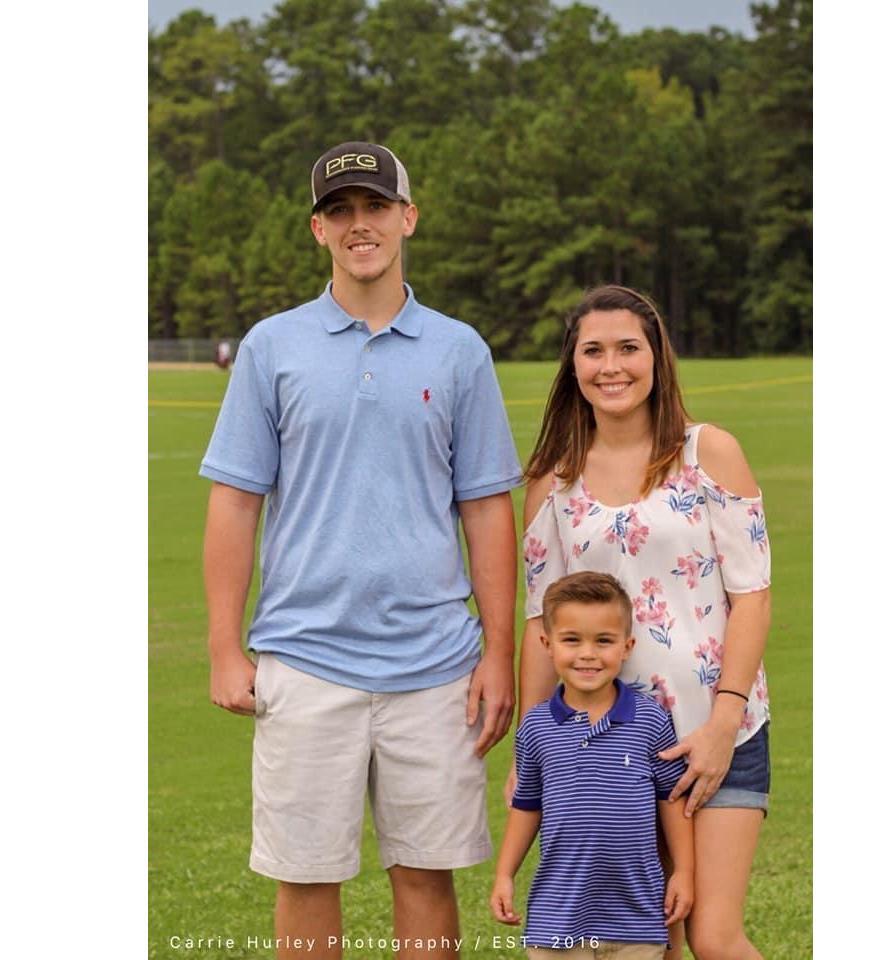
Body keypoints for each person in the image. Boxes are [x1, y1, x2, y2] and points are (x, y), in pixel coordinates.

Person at [199, 140, 522, 960]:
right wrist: (223, 648)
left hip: (435, 664)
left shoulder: (459, 349)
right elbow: (235, 502)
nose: (360, 224)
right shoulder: (272, 346)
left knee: (424, 876)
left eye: (376, 206)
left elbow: (486, 508)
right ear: (319, 229)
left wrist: (499, 653)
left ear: (408, 217)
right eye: (340, 211)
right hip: (305, 658)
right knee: (306, 880)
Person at [517, 285, 772, 960]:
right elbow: (540, 622)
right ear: (573, 364)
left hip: (721, 729)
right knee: (647, 939)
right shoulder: (552, 483)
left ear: (657, 357)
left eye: (628, 348)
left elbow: (753, 597)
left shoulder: (709, 453)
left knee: (714, 936)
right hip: (607, 750)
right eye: (593, 351)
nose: (612, 366)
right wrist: (530, 751)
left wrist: (723, 722)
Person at [490, 572, 694, 960]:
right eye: (572, 640)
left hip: (637, 919)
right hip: (557, 920)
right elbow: (526, 806)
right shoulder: (536, 727)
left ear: (627, 646)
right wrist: (504, 875)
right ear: (547, 645)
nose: (588, 653)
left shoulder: (650, 721)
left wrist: (683, 872)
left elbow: (671, 800)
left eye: (603, 641)